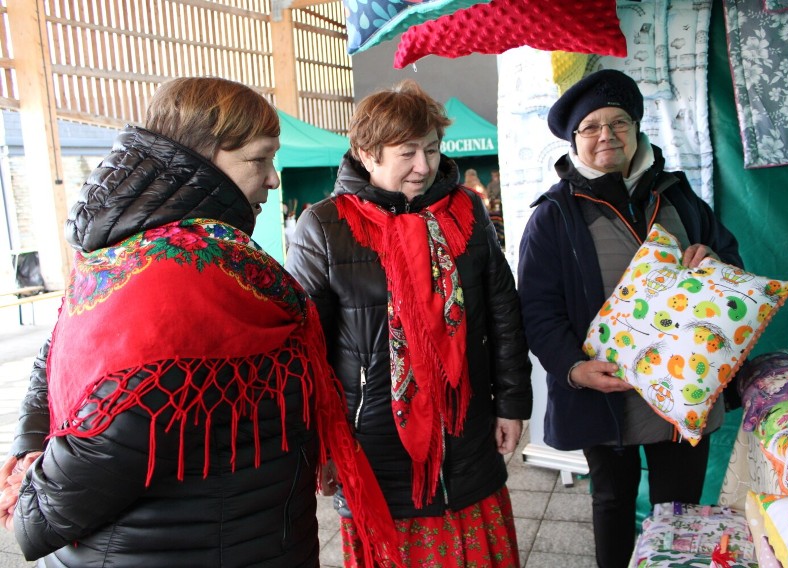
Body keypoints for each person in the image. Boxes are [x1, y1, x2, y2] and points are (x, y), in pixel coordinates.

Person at [0, 76, 399, 568]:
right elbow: (78, 481)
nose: (273, 179)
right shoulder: (187, 279)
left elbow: (56, 352)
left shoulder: (127, 254)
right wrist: (31, 499)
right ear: (199, 158)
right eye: (258, 159)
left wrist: (28, 450)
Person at [285, 79, 533, 567]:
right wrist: (322, 445)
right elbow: (305, 350)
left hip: (468, 434)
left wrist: (511, 403)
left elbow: (504, 314)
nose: (425, 166)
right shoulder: (325, 225)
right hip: (374, 443)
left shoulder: (466, 212)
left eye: (433, 150)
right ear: (366, 153)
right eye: (407, 153)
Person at [517, 69, 743, 568]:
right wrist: (574, 368)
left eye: (619, 122)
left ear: (637, 129)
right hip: (606, 392)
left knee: (678, 512)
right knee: (613, 502)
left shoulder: (678, 196)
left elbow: (731, 263)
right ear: (575, 139)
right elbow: (536, 309)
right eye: (591, 126)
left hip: (685, 389)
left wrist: (715, 265)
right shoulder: (554, 217)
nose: (606, 135)